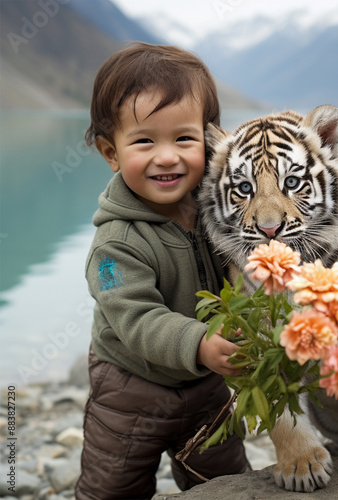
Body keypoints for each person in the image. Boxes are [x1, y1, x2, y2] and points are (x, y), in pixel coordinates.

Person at [75, 42, 249, 500]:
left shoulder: (215, 210)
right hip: (130, 391)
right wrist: (200, 343)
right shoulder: (114, 246)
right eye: (145, 140)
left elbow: (243, 269)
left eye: (184, 139)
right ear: (111, 153)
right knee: (112, 485)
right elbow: (135, 319)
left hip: (208, 387)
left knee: (226, 481)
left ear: (212, 141)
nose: (167, 156)